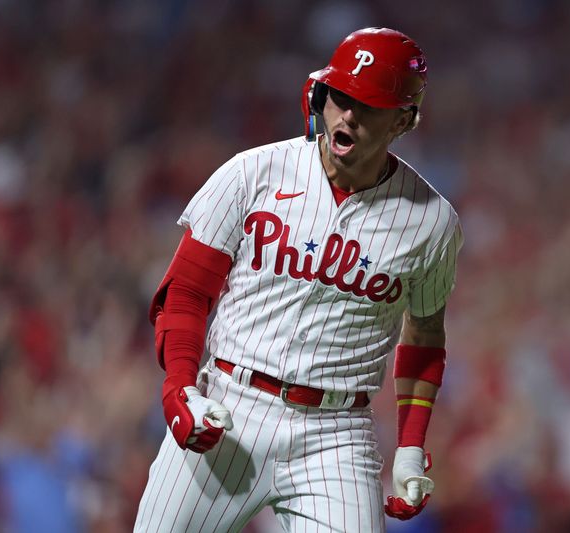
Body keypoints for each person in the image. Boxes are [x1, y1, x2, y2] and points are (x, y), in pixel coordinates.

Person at [134, 27, 463, 532]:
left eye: (369, 104)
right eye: (341, 97)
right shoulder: (252, 173)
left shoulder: (431, 221)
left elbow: (423, 340)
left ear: (403, 119)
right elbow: (186, 292)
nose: (348, 114)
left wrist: (411, 444)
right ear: (319, 95)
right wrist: (179, 386)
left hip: (337, 435)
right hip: (229, 406)